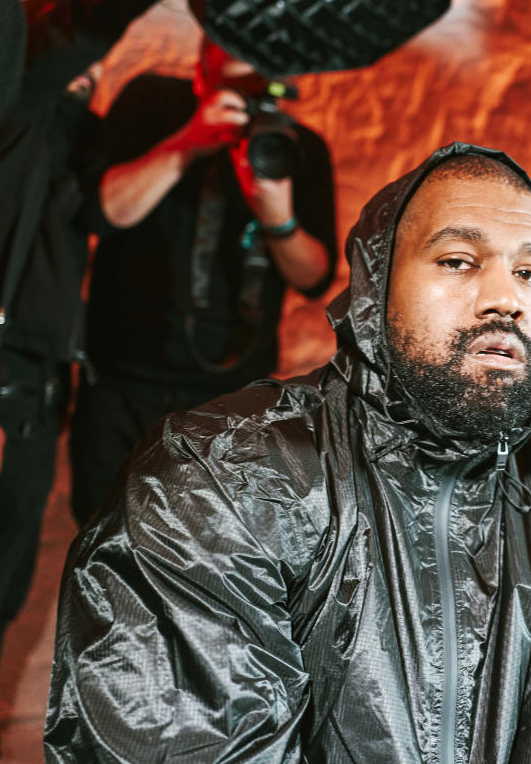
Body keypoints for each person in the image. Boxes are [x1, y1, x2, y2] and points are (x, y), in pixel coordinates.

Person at [45, 143, 531, 761]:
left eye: (529, 272)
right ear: (374, 294)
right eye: (459, 260)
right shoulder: (219, 476)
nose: (506, 298)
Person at [0, 0, 186, 758]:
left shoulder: (72, 151)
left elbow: (109, 208)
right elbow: (96, 8)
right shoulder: (19, 109)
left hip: (36, 397)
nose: (87, 78)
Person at [68, 36, 338, 526]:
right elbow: (105, 211)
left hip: (233, 399)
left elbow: (314, 277)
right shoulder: (152, 103)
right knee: (105, 541)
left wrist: (277, 216)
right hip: (122, 382)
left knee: (216, 552)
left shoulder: (295, 146)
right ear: (206, 55)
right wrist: (187, 143)